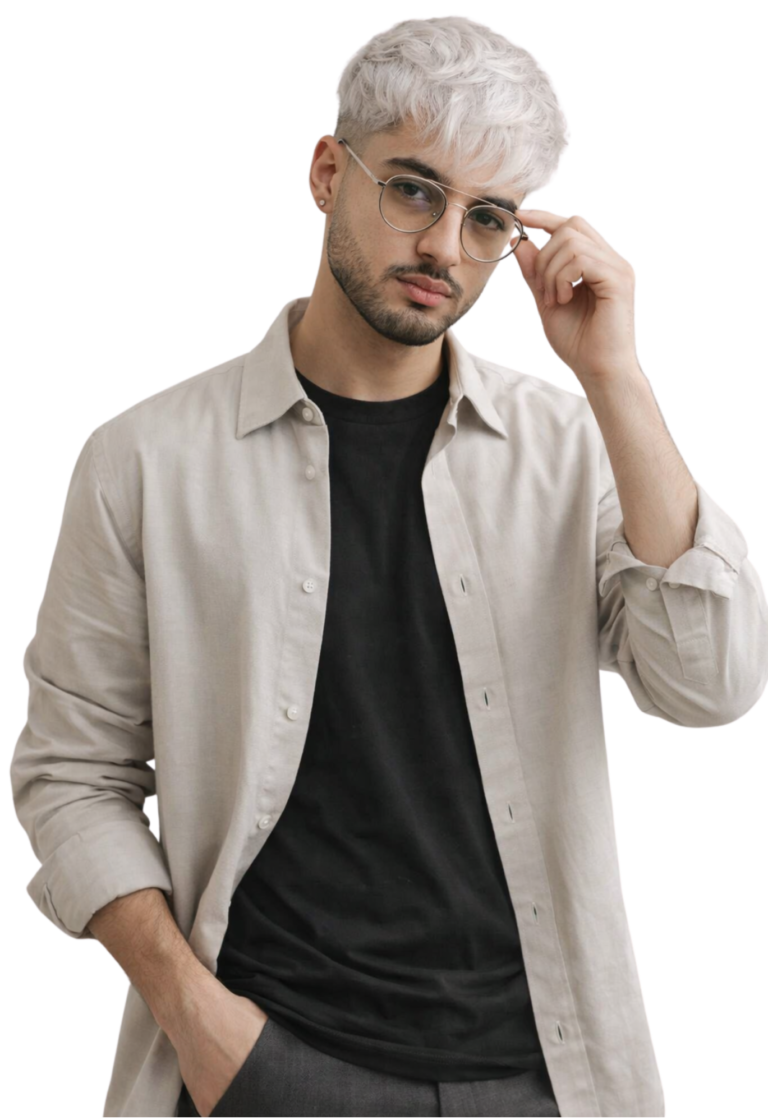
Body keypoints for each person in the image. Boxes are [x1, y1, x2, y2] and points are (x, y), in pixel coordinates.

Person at [10, 14, 767, 1120]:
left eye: (489, 218)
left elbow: (709, 684)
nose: (446, 249)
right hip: (262, 1063)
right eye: (414, 189)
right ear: (328, 171)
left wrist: (617, 373)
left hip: (541, 1071)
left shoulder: (574, 446)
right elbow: (68, 776)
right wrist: (201, 1023)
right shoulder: (145, 460)